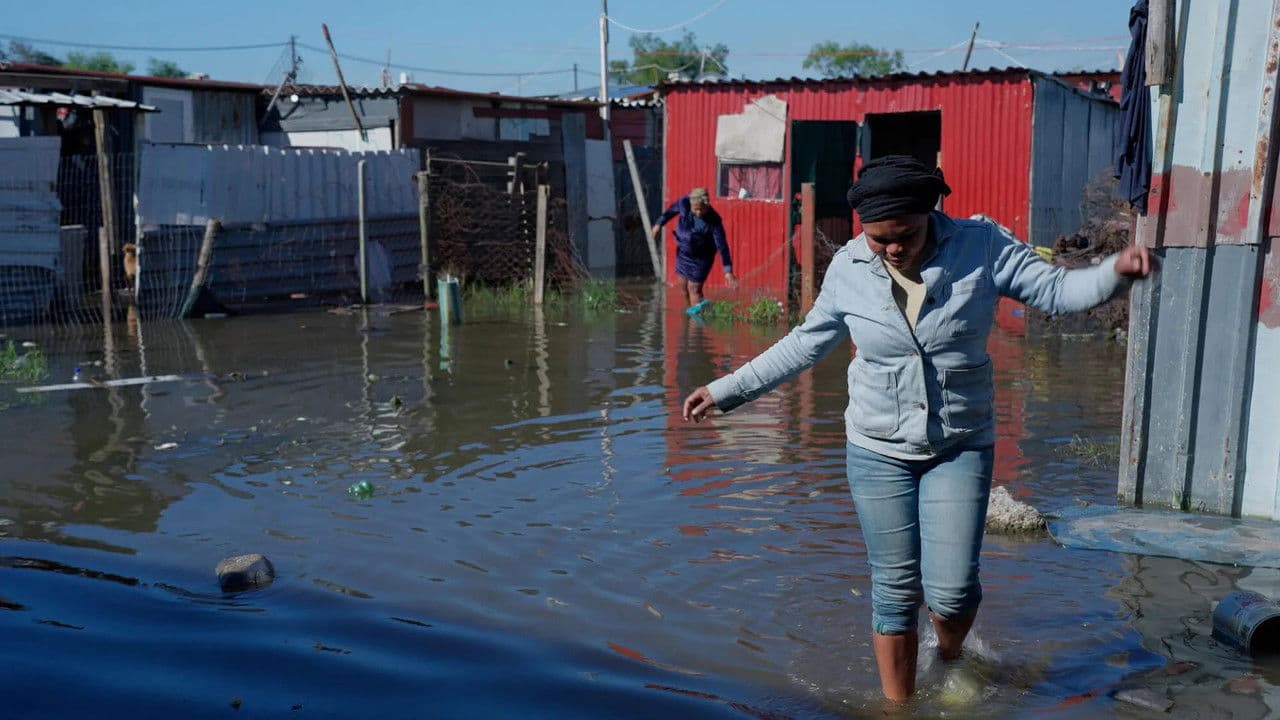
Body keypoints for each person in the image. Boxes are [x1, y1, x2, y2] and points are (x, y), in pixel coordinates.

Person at [680, 155, 1157, 702]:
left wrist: (1113, 274)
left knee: (952, 594)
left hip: (959, 444)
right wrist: (726, 390)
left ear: (929, 214)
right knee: (893, 592)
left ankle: (951, 656)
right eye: (878, 239)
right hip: (876, 448)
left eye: (903, 234)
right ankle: (898, 709)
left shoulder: (981, 245)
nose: (891, 249)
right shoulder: (850, 267)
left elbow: (1055, 291)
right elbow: (804, 343)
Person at [652, 187, 737, 315]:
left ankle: (697, 324)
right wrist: (659, 224)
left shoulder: (713, 220)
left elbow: (722, 245)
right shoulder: (684, 203)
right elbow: (670, 212)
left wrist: (728, 270)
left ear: (707, 206)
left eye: (701, 210)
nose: (698, 212)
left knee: (694, 288)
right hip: (684, 254)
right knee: (683, 287)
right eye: (695, 209)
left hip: (702, 257)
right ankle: (690, 314)